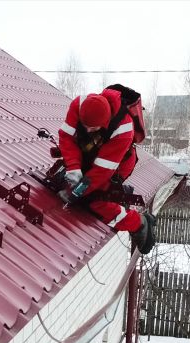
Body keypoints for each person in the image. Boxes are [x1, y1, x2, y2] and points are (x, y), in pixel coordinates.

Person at [57, 87, 155, 253]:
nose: (87, 131)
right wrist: (73, 167)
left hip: (116, 166)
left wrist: (77, 192)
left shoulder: (123, 130)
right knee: (66, 182)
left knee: (94, 200)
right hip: (91, 153)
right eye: (85, 126)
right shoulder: (78, 105)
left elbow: (101, 172)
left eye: (93, 128)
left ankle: (138, 223)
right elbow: (66, 137)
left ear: (105, 123)